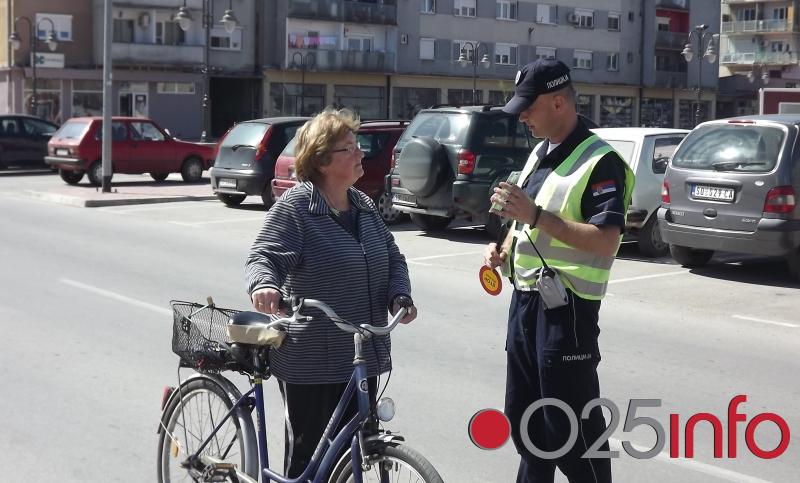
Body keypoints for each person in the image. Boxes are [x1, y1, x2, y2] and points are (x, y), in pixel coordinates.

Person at [245, 107, 417, 478]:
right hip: (312, 363)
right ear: (322, 161)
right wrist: (264, 285)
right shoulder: (297, 209)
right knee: (309, 461)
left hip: (362, 355)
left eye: (358, 147)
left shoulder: (364, 206)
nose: (361, 155)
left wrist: (399, 295)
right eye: (350, 149)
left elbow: (393, 257)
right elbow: (263, 256)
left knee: (354, 452)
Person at [483, 59, 634, 483]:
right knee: (528, 422)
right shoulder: (540, 151)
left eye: (528, 108)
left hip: (566, 314)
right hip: (526, 305)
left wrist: (535, 215)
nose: (523, 117)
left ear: (558, 103)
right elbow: (525, 224)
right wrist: (502, 250)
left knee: (573, 434)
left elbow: (606, 240)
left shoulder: (599, 160)